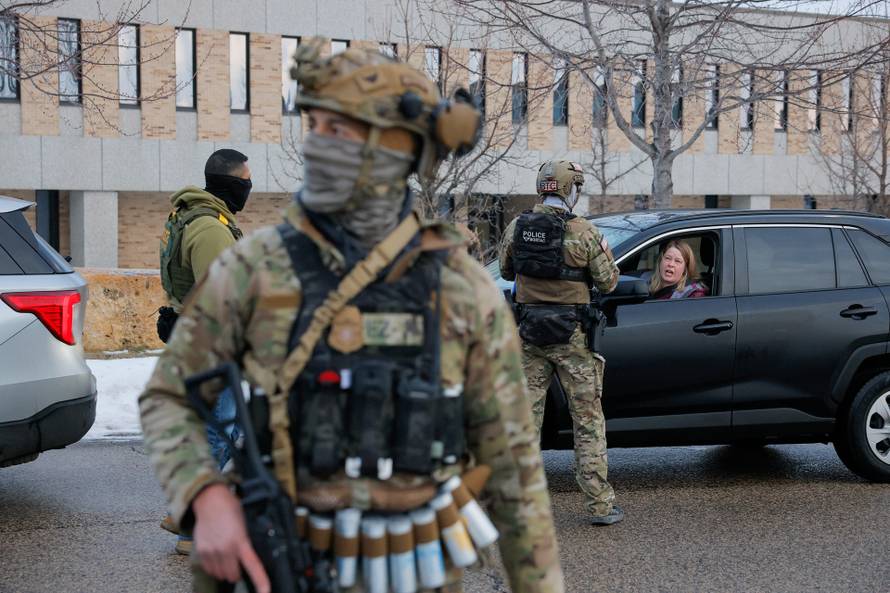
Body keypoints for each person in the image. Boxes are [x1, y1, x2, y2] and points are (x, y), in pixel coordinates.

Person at [139, 39, 563, 593]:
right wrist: (206, 495)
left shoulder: (458, 289)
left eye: (342, 130)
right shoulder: (255, 268)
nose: (320, 146)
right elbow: (169, 397)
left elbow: (513, 468)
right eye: (316, 127)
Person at [498, 160, 623, 526]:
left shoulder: (516, 226)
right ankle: (599, 505)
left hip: (530, 337)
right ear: (571, 189)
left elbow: (507, 272)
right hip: (572, 339)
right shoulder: (584, 231)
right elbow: (609, 282)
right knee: (587, 421)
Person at [156, 148, 253, 555]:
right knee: (220, 429)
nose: (249, 187)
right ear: (230, 182)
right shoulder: (211, 227)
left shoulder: (186, 216)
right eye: (245, 181)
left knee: (223, 428)